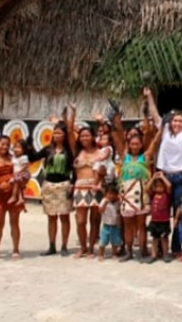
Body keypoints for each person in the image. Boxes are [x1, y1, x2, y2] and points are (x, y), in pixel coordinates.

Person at [145, 85, 182, 255]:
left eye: (179, 120)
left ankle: (177, 248)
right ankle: (161, 248)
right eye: (174, 120)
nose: (177, 123)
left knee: (180, 212)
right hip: (163, 175)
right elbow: (154, 114)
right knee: (160, 212)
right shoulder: (164, 131)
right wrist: (149, 96)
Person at [112, 108, 156, 262]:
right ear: (129, 145)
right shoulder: (125, 157)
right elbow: (117, 138)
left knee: (141, 225)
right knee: (128, 224)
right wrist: (116, 120)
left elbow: (152, 138)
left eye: (138, 143)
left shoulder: (145, 157)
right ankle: (129, 250)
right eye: (132, 144)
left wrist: (146, 117)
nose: (135, 146)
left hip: (141, 195)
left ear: (141, 144)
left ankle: (143, 250)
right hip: (127, 195)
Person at [30, 119, 74, 257]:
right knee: (51, 217)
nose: (57, 135)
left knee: (64, 216)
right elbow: (34, 158)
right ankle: (52, 245)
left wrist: (73, 183)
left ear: (64, 135)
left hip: (64, 183)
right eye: (55, 133)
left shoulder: (69, 150)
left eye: (59, 133)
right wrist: (29, 145)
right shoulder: (48, 149)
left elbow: (74, 167)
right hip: (49, 184)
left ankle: (64, 246)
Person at [69, 104, 104, 258]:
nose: (84, 138)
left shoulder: (100, 152)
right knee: (80, 221)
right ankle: (83, 247)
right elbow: (69, 130)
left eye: (87, 135)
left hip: (95, 186)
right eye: (82, 136)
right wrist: (74, 113)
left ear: (93, 137)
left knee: (95, 220)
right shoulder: (77, 151)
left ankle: (90, 249)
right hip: (80, 187)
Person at [0, 135, 24, 260]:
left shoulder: (12, 159)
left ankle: (16, 249)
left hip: (13, 194)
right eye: (2, 144)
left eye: (7, 144)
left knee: (15, 223)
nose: (5, 147)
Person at [147, 172, 172, 263]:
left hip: (164, 220)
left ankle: (165, 254)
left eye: (161, 186)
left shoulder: (167, 195)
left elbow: (169, 186)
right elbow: (147, 188)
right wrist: (153, 178)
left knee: (164, 238)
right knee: (155, 239)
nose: (159, 188)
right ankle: (153, 255)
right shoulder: (153, 195)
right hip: (155, 221)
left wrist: (162, 177)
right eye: (157, 186)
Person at [98, 184, 123, 260]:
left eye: (114, 194)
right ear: (106, 194)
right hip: (106, 225)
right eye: (109, 194)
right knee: (103, 241)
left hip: (115, 225)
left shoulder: (118, 202)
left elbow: (120, 210)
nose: (111, 196)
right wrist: (105, 203)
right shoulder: (104, 201)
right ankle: (101, 255)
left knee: (115, 241)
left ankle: (114, 254)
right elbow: (100, 210)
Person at [8, 138, 32, 208]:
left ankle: (14, 196)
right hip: (17, 174)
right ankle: (21, 199)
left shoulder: (23, 157)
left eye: (19, 148)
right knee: (18, 187)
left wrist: (19, 171)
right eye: (15, 147)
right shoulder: (14, 157)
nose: (16, 149)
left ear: (23, 150)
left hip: (23, 174)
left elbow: (26, 166)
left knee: (16, 182)